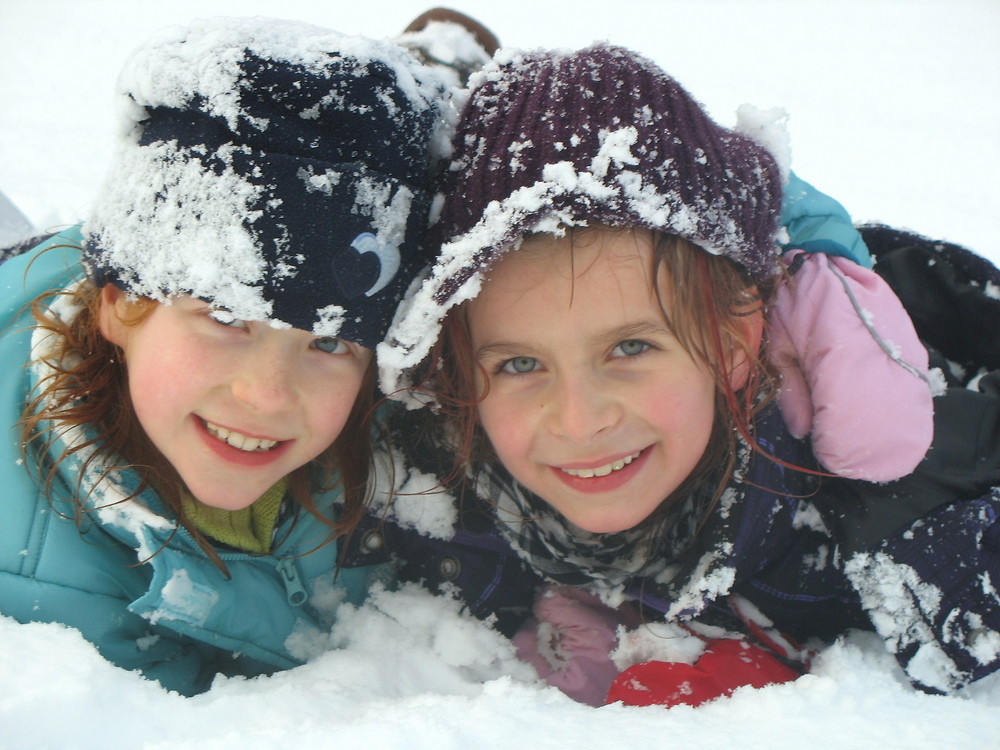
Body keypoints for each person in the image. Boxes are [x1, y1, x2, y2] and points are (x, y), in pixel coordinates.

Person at [365, 44, 1000, 706]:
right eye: (520, 363)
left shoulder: (884, 511)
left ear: (733, 342)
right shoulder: (441, 484)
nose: (581, 420)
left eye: (631, 349)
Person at [0, 17, 449, 696]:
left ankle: (439, 63)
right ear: (123, 305)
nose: (267, 394)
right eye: (227, 317)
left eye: (329, 342)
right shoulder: (31, 570)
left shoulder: (395, 415)